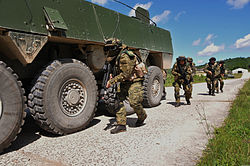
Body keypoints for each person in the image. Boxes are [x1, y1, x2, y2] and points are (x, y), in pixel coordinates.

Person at [104, 38, 147, 134]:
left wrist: (112, 81)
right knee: (118, 101)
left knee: (134, 102)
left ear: (117, 47)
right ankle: (121, 125)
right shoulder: (115, 56)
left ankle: (142, 116)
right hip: (125, 81)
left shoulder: (125, 56)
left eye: (112, 48)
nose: (109, 50)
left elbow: (126, 74)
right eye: (107, 48)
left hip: (134, 81)